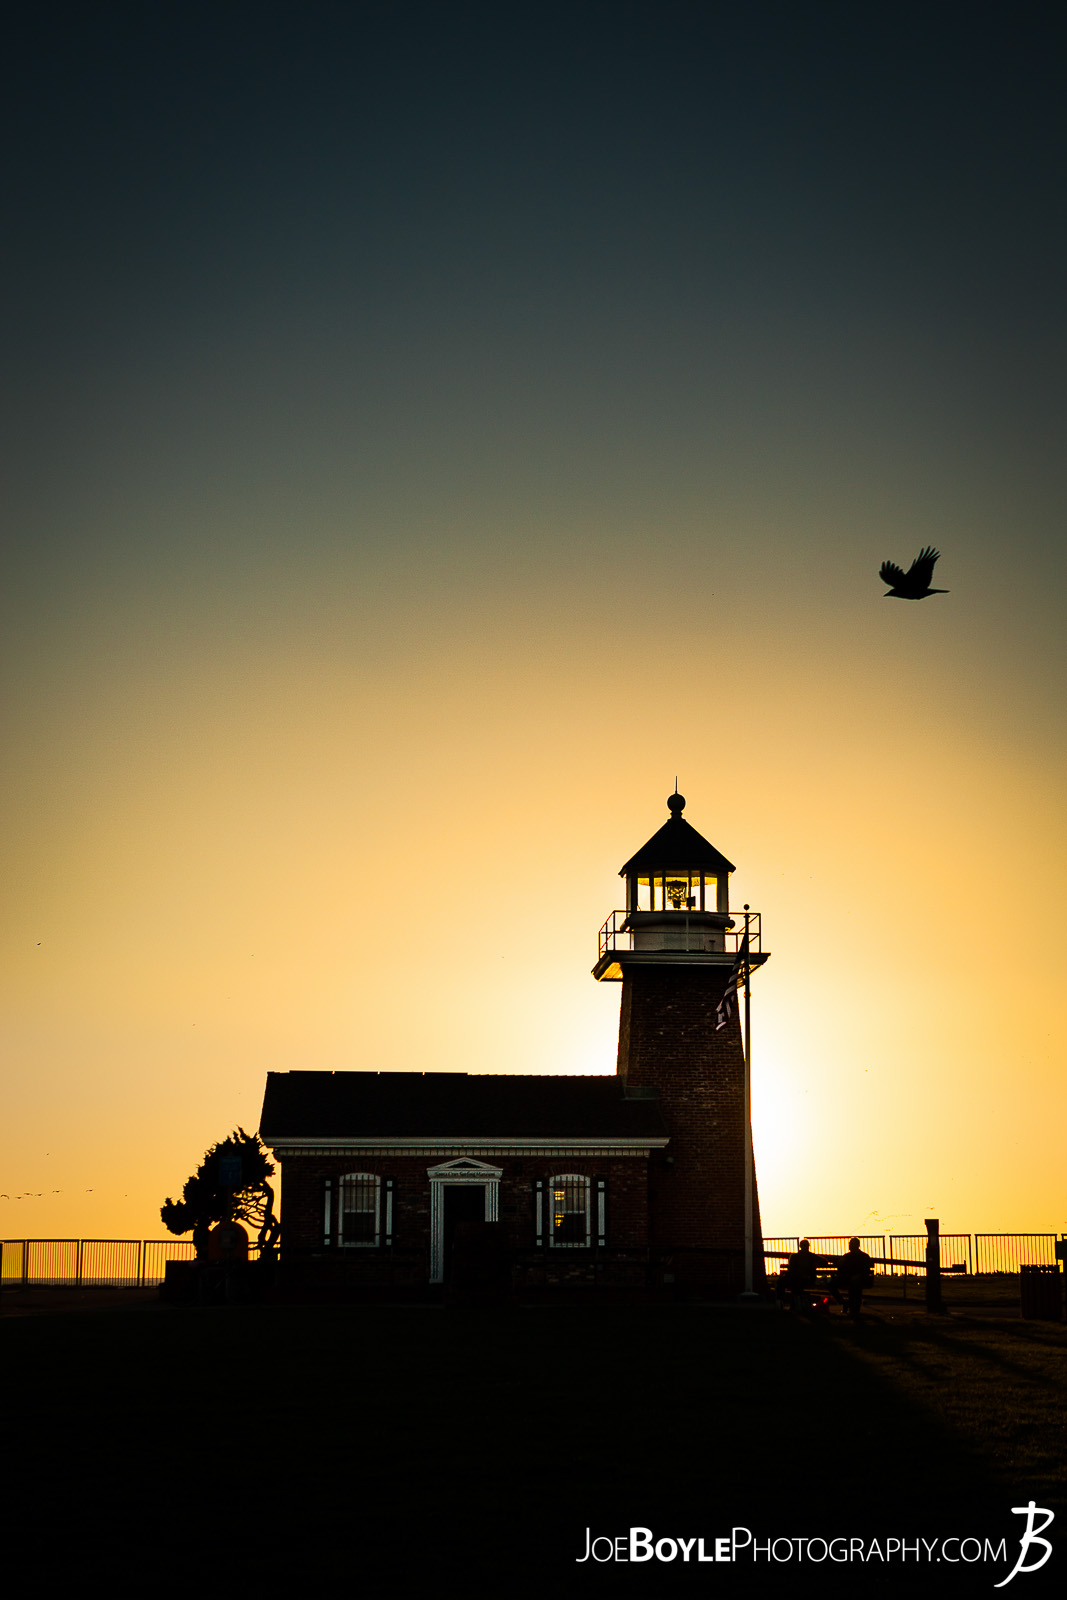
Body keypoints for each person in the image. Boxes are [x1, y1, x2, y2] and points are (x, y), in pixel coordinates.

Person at [837, 1237, 874, 1319]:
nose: (849, 1246)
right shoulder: (851, 1256)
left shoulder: (862, 1257)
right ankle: (848, 1305)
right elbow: (840, 1267)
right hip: (850, 1279)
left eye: (851, 1244)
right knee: (831, 1284)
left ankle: (852, 1308)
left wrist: (856, 1276)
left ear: (856, 1245)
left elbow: (865, 1270)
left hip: (859, 1279)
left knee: (855, 1286)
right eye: (850, 1244)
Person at [782, 1238, 819, 1313]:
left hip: (804, 1280)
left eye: (806, 1245)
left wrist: (815, 1263)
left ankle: (795, 1306)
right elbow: (792, 1268)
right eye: (804, 1245)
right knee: (792, 1284)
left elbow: (824, 1261)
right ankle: (797, 1306)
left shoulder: (811, 1256)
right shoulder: (796, 1256)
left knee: (795, 1286)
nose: (805, 1247)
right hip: (799, 1279)